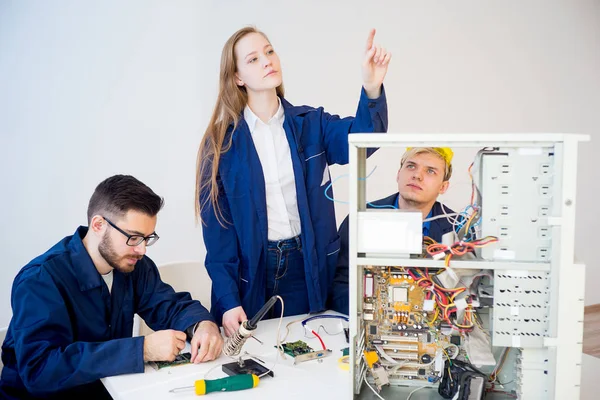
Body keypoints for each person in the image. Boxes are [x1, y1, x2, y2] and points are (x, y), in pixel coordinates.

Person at [195, 26, 391, 336]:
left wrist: (372, 86)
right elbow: (218, 235)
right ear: (237, 77)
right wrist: (229, 300)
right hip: (253, 271)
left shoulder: (311, 123)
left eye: (270, 51)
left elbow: (364, 140)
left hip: (306, 264)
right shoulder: (222, 144)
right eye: (254, 58)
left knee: (305, 352)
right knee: (256, 356)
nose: (267, 61)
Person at [0, 175, 223, 399]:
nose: (142, 249)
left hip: (109, 390)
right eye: (134, 238)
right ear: (98, 225)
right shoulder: (40, 279)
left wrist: (201, 325)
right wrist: (142, 350)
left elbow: (169, 305)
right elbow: (40, 370)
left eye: (147, 238)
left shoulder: (135, 266)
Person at [332, 147, 460, 314]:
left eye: (430, 171)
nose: (417, 175)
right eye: (411, 166)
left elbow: (464, 290)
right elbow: (339, 284)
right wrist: (373, 313)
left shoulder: (457, 228)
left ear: (443, 187)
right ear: (398, 174)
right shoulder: (362, 218)